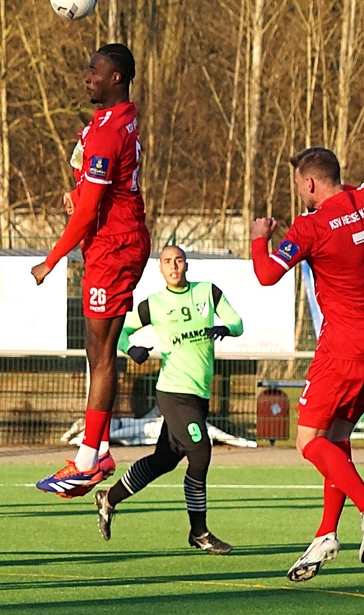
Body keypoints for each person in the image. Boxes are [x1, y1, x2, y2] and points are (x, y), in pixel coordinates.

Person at [252, 147, 364, 581]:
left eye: (299, 184)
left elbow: (266, 274)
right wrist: (356, 200)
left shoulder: (311, 226)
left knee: (307, 441)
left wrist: (260, 237)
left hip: (343, 350)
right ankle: (325, 535)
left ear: (310, 183)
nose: (300, 191)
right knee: (337, 437)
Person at [32, 43, 150, 497]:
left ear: (116, 77)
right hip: (113, 243)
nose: (86, 76)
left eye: (94, 70)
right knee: (96, 351)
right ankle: (96, 450)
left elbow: (90, 209)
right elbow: (96, 189)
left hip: (113, 247)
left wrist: (52, 259)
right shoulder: (114, 121)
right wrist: (80, 191)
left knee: (101, 355)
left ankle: (88, 460)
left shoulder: (107, 131)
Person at [94, 246, 242, 555]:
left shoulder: (207, 292)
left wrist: (225, 327)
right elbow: (120, 332)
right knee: (200, 452)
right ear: (160, 268)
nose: (173, 266)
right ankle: (199, 532)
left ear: (186, 264)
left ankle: (109, 498)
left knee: (164, 460)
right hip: (174, 391)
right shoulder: (154, 304)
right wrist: (130, 348)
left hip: (199, 393)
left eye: (178, 260)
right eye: (167, 262)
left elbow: (237, 322)